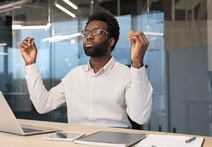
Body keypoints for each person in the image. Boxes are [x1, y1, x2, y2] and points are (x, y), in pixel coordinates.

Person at [20, 12, 153, 128]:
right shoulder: (74, 75)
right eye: (86, 32)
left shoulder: (128, 74)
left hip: (114, 142)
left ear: (111, 41)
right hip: (77, 141)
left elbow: (140, 117)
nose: (89, 36)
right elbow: (43, 105)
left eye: (96, 32)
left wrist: (137, 63)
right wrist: (30, 64)